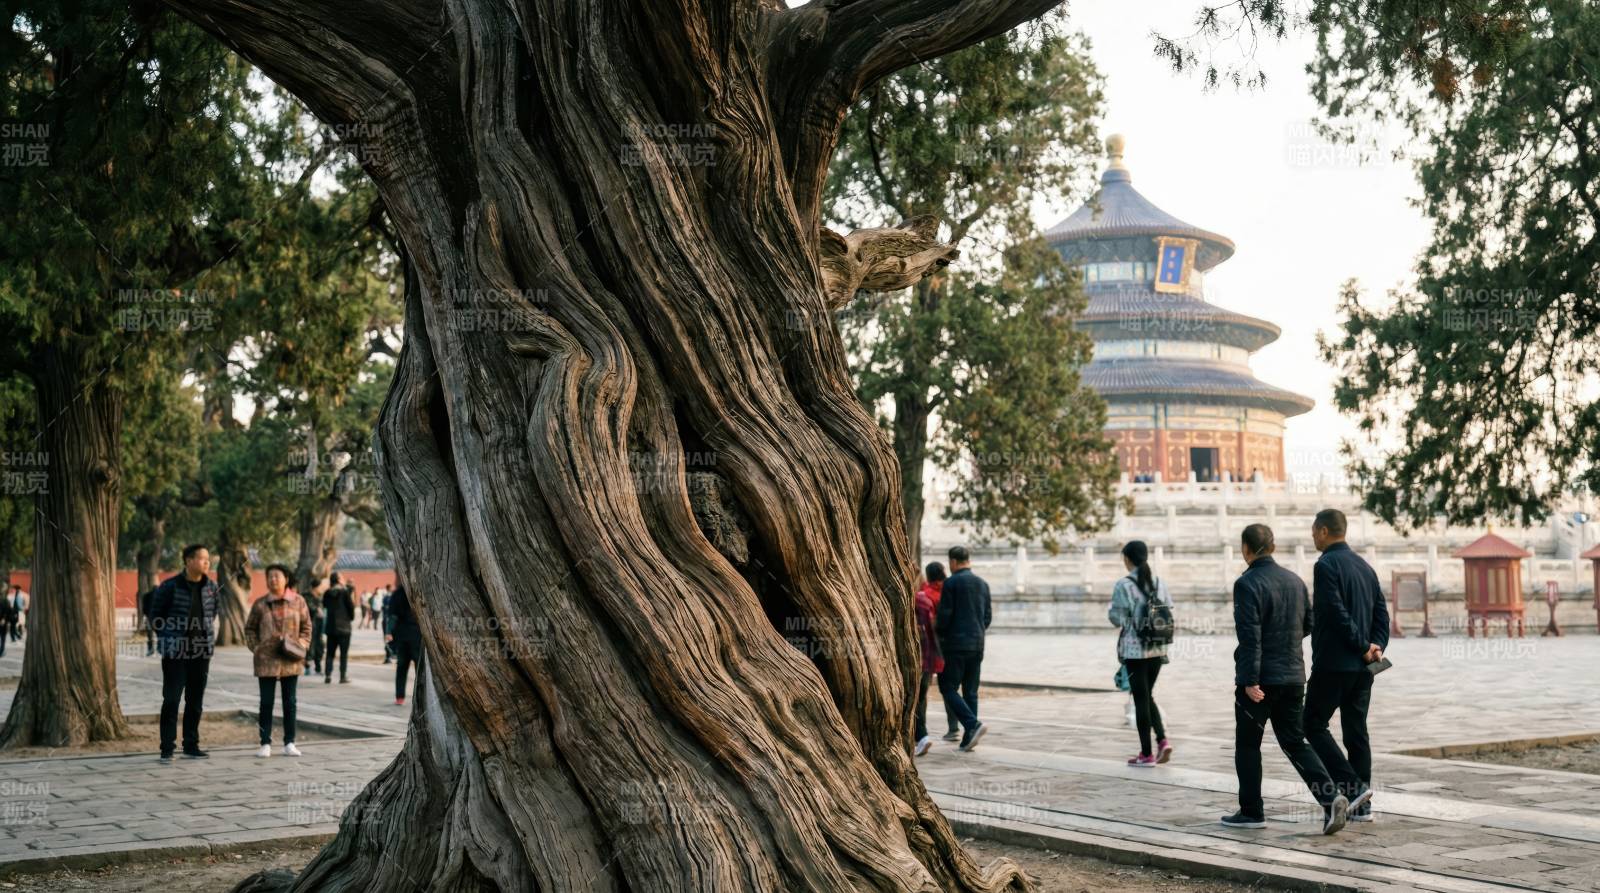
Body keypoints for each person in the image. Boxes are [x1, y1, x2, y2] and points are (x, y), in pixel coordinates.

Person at [1225, 524, 1348, 834]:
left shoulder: (1246, 584)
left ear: (1246, 549)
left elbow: (1250, 636)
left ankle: (1252, 812)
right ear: (1274, 546)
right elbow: (1308, 623)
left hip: (1260, 681)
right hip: (1293, 676)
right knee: (1295, 741)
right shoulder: (1295, 581)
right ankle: (1330, 796)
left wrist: (1250, 679)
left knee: (1248, 746)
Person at [1306, 509, 1388, 823]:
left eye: (1314, 531)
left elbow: (1336, 613)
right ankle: (1362, 807)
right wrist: (1375, 647)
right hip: (1365, 667)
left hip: (1334, 663)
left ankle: (1353, 788)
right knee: (1357, 732)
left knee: (1311, 724)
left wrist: (1360, 645)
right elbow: (1382, 614)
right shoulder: (1365, 567)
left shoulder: (1325, 565)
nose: (1313, 537)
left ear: (1324, 531)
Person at [149, 544, 219, 760]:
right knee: (171, 699)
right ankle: (167, 747)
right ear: (188, 560)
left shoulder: (211, 588)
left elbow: (213, 613)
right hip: (175, 654)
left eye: (208, 559)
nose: (206, 562)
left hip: (201, 653)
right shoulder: (170, 586)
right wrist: (167, 637)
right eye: (202, 558)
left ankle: (191, 744)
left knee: (195, 701)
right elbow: (155, 615)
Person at [1109, 540, 1174, 766]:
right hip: (1158, 647)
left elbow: (1116, 618)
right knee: (1148, 695)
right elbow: (1168, 610)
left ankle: (1146, 754)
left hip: (1135, 650)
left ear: (1127, 559)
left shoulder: (1123, 585)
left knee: (1141, 699)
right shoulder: (1158, 583)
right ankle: (1162, 741)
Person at [245, 564, 312, 757]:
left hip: (290, 659)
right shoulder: (260, 604)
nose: (273, 580)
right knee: (266, 702)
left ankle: (289, 742)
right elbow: (250, 629)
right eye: (270, 577)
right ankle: (265, 743)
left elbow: (307, 627)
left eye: (277, 576)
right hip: (266, 660)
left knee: (290, 702)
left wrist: (301, 645)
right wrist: (256, 648)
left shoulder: (298, 601)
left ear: (286, 579)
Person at [935, 545, 991, 752]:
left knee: (948, 687)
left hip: (956, 644)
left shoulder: (951, 583)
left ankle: (972, 724)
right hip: (977, 643)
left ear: (953, 562)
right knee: (971, 691)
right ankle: (969, 737)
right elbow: (987, 617)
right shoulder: (983, 584)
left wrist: (939, 630)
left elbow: (945, 616)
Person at [912, 562, 947, 757]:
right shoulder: (925, 600)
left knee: (914, 698)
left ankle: (921, 736)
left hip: (917, 658)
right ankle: (921, 736)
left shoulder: (916, 601)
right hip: (928, 657)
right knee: (921, 697)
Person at [386, 581, 423, 706]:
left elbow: (392, 615)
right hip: (417, 636)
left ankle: (399, 697)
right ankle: (420, 697)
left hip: (401, 636)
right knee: (420, 670)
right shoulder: (419, 591)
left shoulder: (397, 594)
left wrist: (388, 632)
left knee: (401, 668)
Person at [322, 572, 357, 684]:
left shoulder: (327, 593)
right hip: (344, 627)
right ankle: (342, 676)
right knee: (343, 654)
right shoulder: (344, 592)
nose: (343, 579)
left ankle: (328, 675)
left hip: (331, 627)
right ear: (338, 579)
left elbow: (325, 605)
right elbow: (351, 607)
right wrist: (350, 618)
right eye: (342, 577)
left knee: (330, 653)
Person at [380, 586, 395, 664]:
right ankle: (389, 656)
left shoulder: (386, 598)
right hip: (388, 621)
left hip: (387, 621)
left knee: (388, 639)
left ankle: (389, 656)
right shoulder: (390, 598)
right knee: (389, 639)